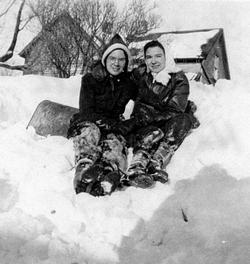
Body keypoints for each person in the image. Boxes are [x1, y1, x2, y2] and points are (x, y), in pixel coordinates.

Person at [67, 34, 137, 196]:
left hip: (112, 124)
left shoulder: (128, 84)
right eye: (113, 58)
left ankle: (107, 173)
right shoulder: (90, 79)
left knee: (115, 141)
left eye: (121, 59)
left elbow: (144, 98)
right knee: (91, 132)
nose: (116, 63)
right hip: (88, 120)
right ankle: (84, 170)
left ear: (126, 62)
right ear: (105, 59)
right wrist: (110, 123)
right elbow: (86, 110)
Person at [124, 40, 200, 188]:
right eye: (149, 57)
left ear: (166, 57)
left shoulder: (178, 79)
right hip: (144, 125)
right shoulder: (140, 74)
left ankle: (156, 163)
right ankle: (136, 169)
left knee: (184, 119)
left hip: (164, 122)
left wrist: (149, 117)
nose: (153, 61)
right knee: (152, 132)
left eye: (158, 56)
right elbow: (120, 81)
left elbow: (174, 109)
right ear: (145, 59)